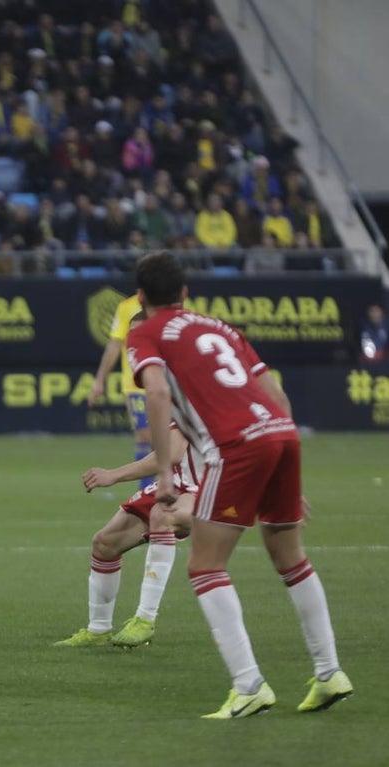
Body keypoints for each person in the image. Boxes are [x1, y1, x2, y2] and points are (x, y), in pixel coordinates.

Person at [127, 251, 352, 718]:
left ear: (141, 297)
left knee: (205, 566)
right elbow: (274, 392)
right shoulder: (221, 328)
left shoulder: (145, 330)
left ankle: (248, 685)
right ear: (186, 292)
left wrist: (166, 473)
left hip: (235, 447)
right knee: (290, 557)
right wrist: (285, 468)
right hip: (281, 436)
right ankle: (329, 673)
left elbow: (156, 392)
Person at [55, 426, 197, 648]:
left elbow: (172, 452)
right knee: (105, 543)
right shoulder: (171, 396)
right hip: (176, 482)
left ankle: (145, 620)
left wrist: (113, 475)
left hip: (210, 487)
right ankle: (98, 630)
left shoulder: (186, 395)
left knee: (164, 516)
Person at [88, 294, 152, 489]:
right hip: (135, 384)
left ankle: (173, 486)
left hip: (164, 382)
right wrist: (99, 381)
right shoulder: (126, 307)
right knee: (145, 435)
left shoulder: (169, 306)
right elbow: (115, 344)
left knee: (169, 437)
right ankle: (146, 490)